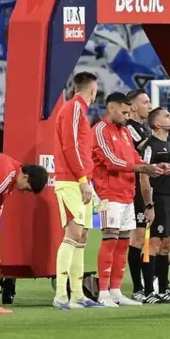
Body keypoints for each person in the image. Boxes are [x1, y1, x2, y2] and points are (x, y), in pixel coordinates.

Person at [92, 92, 167, 306]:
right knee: (110, 240)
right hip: (109, 193)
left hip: (127, 193)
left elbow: (133, 157)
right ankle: (103, 292)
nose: (127, 116)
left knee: (124, 243)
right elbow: (110, 160)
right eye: (124, 112)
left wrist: (152, 167)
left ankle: (116, 290)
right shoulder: (99, 130)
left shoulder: (124, 132)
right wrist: (142, 167)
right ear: (112, 109)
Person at [0, 153, 49, 313]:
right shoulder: (5, 173)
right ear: (25, 176)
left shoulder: (12, 177)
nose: (25, 192)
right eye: (27, 188)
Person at [53, 71, 103, 310]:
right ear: (92, 90)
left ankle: (77, 295)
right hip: (71, 180)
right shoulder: (73, 108)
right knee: (73, 234)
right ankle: (61, 295)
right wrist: (83, 179)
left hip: (81, 180)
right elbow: (70, 145)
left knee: (82, 236)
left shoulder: (79, 110)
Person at [142, 107, 170, 303]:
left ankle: (162, 289)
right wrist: (149, 204)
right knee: (154, 244)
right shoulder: (150, 146)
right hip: (158, 198)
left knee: (166, 245)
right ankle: (148, 292)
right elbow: (143, 176)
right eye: (167, 116)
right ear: (157, 123)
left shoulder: (169, 146)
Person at [123, 89, 154, 299]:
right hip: (134, 189)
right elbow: (140, 151)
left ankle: (150, 285)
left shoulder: (144, 129)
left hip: (148, 187)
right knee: (138, 237)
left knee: (150, 238)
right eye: (146, 102)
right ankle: (137, 288)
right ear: (133, 106)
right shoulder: (129, 129)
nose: (150, 106)